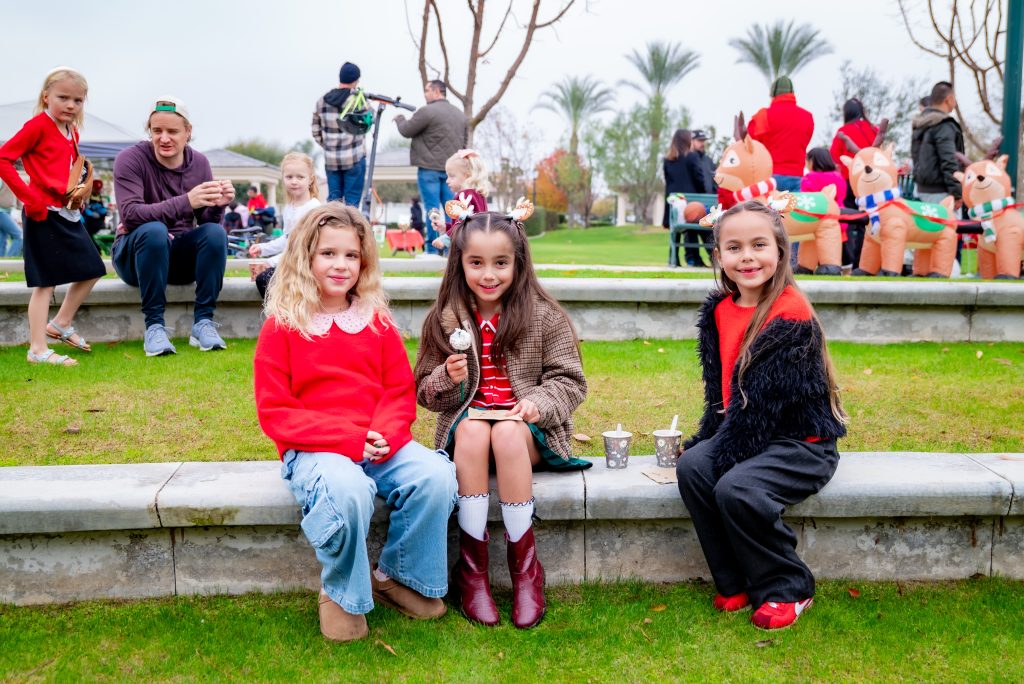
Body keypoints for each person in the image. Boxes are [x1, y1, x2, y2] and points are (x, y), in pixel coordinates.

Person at [254, 202, 457, 643]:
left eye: (351, 255)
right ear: (305, 257)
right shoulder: (282, 327)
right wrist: (348, 439)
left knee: (436, 475)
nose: (341, 265)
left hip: (380, 442)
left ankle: (399, 578)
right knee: (347, 489)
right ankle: (341, 592)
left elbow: (397, 390)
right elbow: (276, 412)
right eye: (328, 253)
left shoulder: (375, 321)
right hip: (316, 448)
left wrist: (384, 434)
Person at [414, 207, 592, 629]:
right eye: (476, 262)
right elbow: (424, 390)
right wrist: (446, 376)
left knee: (508, 433)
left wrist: (538, 403)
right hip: (469, 438)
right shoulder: (444, 319)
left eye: (500, 262)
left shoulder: (545, 316)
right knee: (475, 431)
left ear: (519, 263)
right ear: (459, 263)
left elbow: (570, 381)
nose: (488, 274)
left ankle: (525, 570)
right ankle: (472, 571)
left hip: (526, 434)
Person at [675, 200, 847, 631]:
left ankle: (788, 586)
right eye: (734, 247)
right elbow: (722, 395)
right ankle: (735, 581)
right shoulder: (719, 311)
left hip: (801, 443)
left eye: (758, 245)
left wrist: (723, 456)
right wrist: (704, 442)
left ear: (780, 250)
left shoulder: (791, 315)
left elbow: (760, 412)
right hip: (750, 431)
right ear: (719, 256)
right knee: (693, 467)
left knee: (737, 488)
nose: (747, 256)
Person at [0, 66, 105, 366]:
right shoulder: (37, 126)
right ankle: (37, 349)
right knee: (44, 283)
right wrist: (28, 197)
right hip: (42, 213)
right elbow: (4, 158)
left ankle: (60, 323)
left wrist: (80, 196)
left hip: (67, 213)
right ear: (46, 96)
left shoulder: (72, 131)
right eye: (63, 97)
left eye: (78, 100)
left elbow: (68, 170)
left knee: (93, 267)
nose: (71, 105)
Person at [112, 96, 233, 356]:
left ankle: (203, 323)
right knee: (154, 230)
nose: (164, 138)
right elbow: (131, 216)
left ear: (188, 132)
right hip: (134, 256)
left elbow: (207, 225)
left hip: (176, 257)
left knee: (216, 233)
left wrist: (218, 205)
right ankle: (154, 327)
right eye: (157, 131)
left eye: (172, 131)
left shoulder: (199, 163)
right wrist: (186, 201)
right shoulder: (130, 159)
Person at [394, 80, 468, 254]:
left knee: (432, 210)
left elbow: (406, 130)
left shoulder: (427, 112)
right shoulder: (460, 115)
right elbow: (464, 144)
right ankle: (453, 249)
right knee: (453, 210)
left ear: (436, 91)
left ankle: (432, 250)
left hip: (429, 169)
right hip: (453, 173)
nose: (425, 94)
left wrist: (399, 118)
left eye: (427, 90)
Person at [248, 152, 321, 298]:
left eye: (300, 177)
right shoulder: (289, 208)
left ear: (311, 179)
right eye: (289, 177)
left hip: (308, 265)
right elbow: (288, 239)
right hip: (293, 262)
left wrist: (271, 262)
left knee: (266, 278)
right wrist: (263, 249)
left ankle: (284, 317)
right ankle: (279, 317)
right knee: (265, 279)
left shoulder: (313, 208)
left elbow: (303, 247)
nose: (294, 181)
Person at [312, 61, 371, 206]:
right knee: (352, 204)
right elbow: (368, 123)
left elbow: (315, 130)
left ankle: (332, 227)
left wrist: (328, 145)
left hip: (331, 160)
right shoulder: (358, 100)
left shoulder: (322, 101)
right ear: (356, 80)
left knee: (334, 203)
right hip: (354, 158)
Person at [829, 98, 879, 269]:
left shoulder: (843, 131)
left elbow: (833, 158)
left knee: (849, 220)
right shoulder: (873, 129)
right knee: (870, 220)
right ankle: (864, 262)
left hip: (849, 181)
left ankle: (849, 260)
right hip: (871, 184)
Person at [748, 76, 814, 192]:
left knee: (768, 210)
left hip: (770, 177)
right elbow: (805, 141)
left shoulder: (763, 116)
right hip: (797, 176)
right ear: (792, 93)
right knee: (795, 210)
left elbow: (751, 143)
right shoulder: (807, 117)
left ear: (773, 94)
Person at [911, 81, 965, 208]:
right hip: (942, 193)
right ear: (949, 99)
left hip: (921, 190)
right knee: (945, 228)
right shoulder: (944, 125)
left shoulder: (920, 123)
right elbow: (949, 160)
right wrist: (957, 194)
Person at [428, 149, 490, 253]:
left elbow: (463, 224)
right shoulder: (478, 195)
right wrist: (445, 227)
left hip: (466, 247)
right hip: (478, 244)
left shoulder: (463, 196)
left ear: (467, 176)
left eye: (451, 176)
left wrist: (445, 239)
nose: (447, 181)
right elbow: (466, 224)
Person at [663, 129, 708, 267]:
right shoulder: (692, 157)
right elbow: (699, 178)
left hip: (673, 200)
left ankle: (674, 258)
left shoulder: (667, 160)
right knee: (692, 230)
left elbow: (668, 181)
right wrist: (703, 193)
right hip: (690, 200)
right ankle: (695, 259)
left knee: (675, 232)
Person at [801, 148, 850, 270]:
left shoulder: (809, 178)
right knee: (836, 247)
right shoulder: (839, 177)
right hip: (837, 218)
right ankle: (840, 267)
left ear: (812, 161)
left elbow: (807, 199)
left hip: (816, 221)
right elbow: (842, 196)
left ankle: (809, 266)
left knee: (813, 246)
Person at [0, 178, 24, 257]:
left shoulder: (13, 177)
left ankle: (2, 262)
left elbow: (18, 193)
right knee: (19, 236)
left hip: (8, 211)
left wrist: (20, 209)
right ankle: (11, 258)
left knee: (2, 239)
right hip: (1, 212)